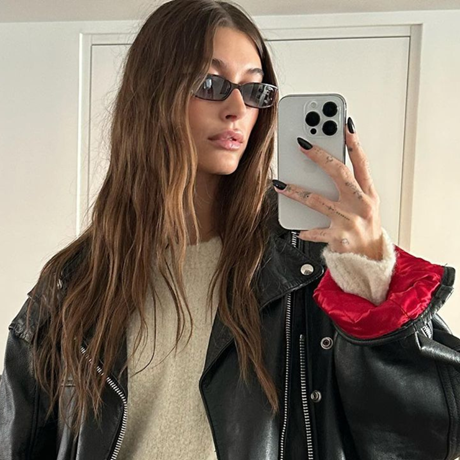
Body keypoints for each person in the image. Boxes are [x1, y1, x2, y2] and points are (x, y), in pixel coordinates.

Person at [1, 0, 459, 459]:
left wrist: (371, 273)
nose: (238, 107)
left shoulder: (309, 267)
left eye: (255, 90)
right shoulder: (74, 282)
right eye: (210, 83)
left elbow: (427, 429)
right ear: (152, 95)